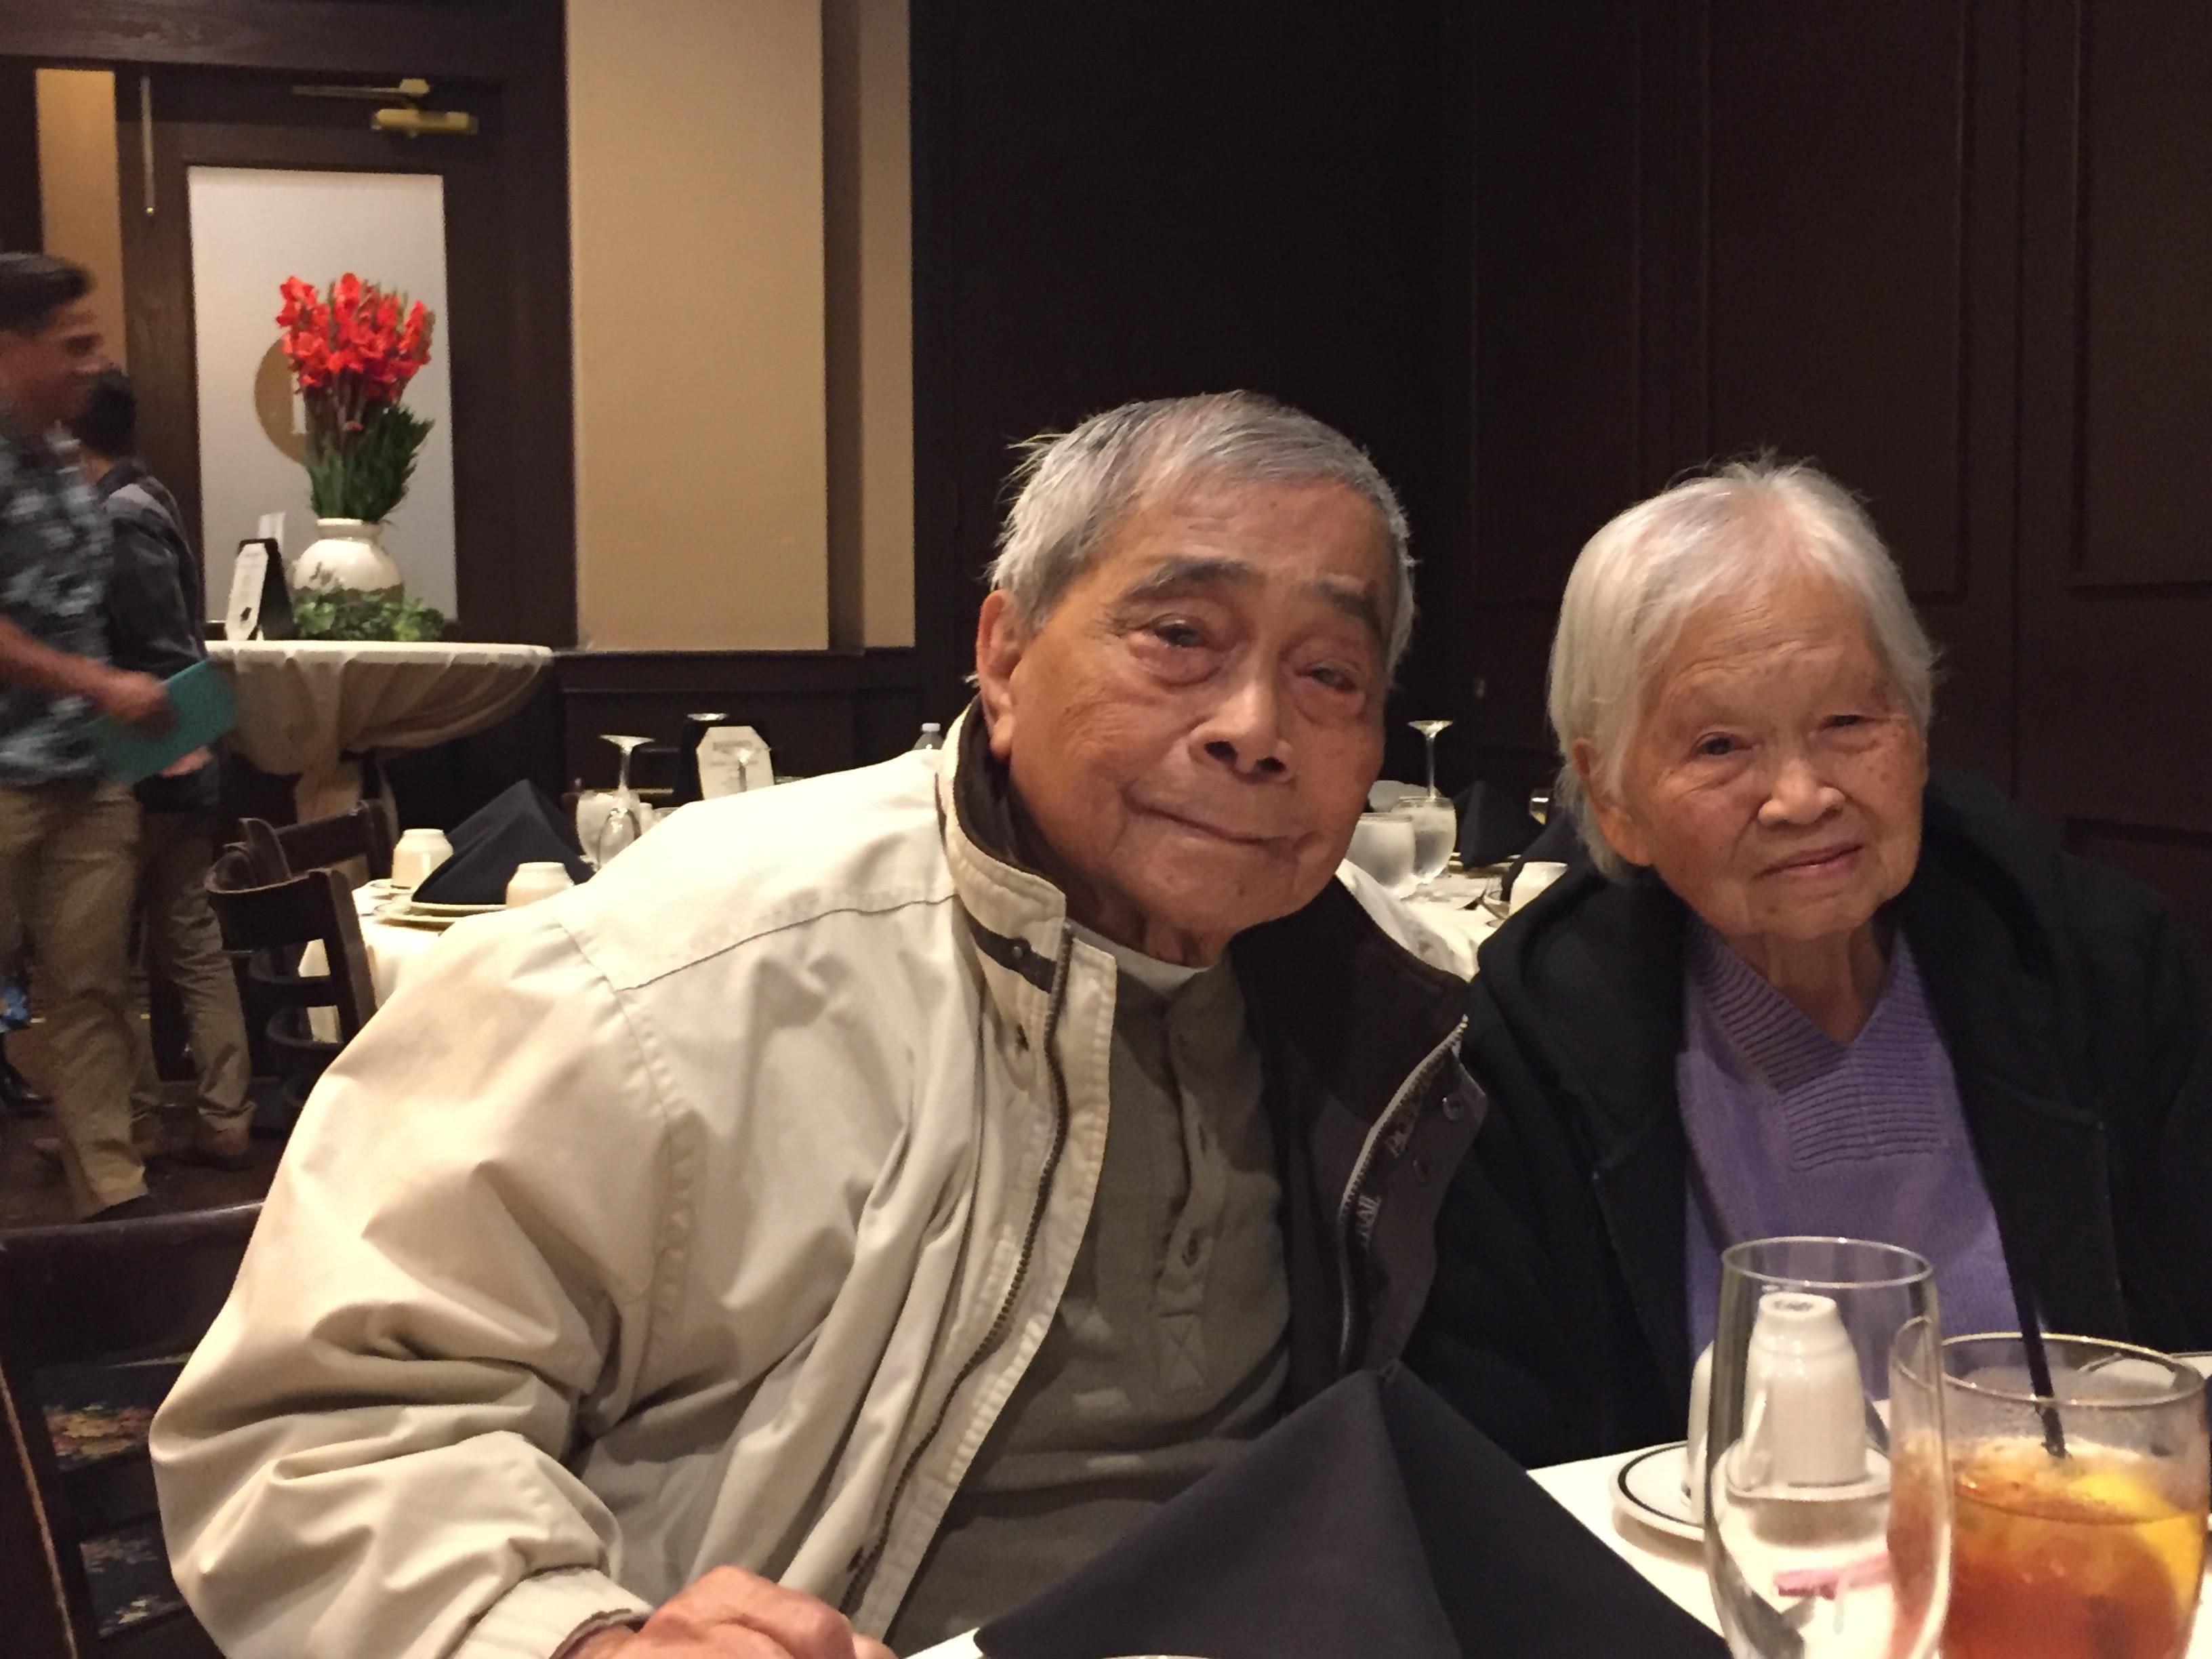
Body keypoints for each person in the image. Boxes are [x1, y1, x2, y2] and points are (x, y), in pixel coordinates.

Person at [152, 392, 1481, 1659]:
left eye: (1329, 673)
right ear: (1005, 658)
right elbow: (322, 1425)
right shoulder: (677, 968)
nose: (1255, 729)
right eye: (1181, 636)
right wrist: (580, 1636)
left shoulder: (1396, 1012)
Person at [1408, 459, 2212, 1465]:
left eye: (1847, 723)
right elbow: (1502, 1462)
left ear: (1914, 733)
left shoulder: (2102, 970)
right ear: (1611, 798)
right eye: (1718, 746)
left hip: (2072, 1554)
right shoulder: (1525, 1058)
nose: (1800, 796)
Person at [0, 254, 173, 1220]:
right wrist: (100, 684)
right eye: (74, 345)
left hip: (87, 774)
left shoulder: (68, 459)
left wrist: (158, 721)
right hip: (6, 779)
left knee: (93, 990)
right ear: (10, 347)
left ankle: (110, 1191)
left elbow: (78, 613)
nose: (96, 364)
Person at [68, 366, 254, 1170]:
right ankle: (221, 1114)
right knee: (185, 939)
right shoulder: (150, 499)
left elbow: (166, 660)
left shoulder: (117, 520)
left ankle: (148, 1119)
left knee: (110, 952)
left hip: (150, 768)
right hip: (176, 763)